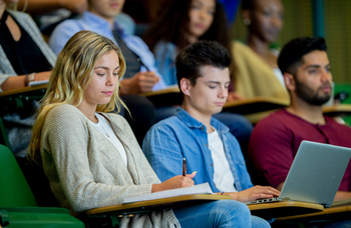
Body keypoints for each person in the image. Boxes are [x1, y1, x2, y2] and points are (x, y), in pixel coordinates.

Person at [28, 30, 268, 228]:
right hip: (116, 223)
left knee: (260, 224)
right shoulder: (63, 115)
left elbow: (152, 185)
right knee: (232, 212)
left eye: (116, 73)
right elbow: (81, 194)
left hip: (152, 217)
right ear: (75, 71)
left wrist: (173, 188)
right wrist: (161, 188)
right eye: (101, 73)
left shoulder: (117, 122)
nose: (112, 82)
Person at [143, 41, 278, 226]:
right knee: (239, 213)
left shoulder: (229, 138)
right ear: (186, 86)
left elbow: (247, 193)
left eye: (226, 85)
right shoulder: (165, 133)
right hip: (183, 218)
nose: (223, 94)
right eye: (213, 86)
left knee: (263, 222)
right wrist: (237, 197)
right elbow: (171, 198)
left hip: (235, 215)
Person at [143, 0, 254, 152]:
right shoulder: (165, 49)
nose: (203, 16)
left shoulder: (214, 50)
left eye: (210, 12)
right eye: (196, 7)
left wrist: (227, 95)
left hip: (207, 109)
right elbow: (166, 93)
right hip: (178, 109)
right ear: (181, 9)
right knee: (240, 125)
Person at [249, 37, 351, 201]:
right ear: (290, 81)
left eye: (328, 69)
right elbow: (291, 195)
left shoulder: (346, 131)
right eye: (314, 71)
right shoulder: (272, 127)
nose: (326, 78)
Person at [48, 0, 165, 145]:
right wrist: (125, 86)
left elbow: (161, 84)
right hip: (111, 103)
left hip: (154, 102)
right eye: (102, 73)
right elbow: (69, 77)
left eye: (116, 73)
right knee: (140, 107)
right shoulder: (71, 29)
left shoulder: (135, 41)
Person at [0, 0, 56, 156]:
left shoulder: (23, 18)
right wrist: (35, 78)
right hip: (19, 125)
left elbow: (55, 65)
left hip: (52, 110)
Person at [233, 0, 289, 101]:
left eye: (280, 16)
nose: (275, 22)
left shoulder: (284, 56)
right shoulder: (238, 53)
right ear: (247, 15)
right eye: (267, 13)